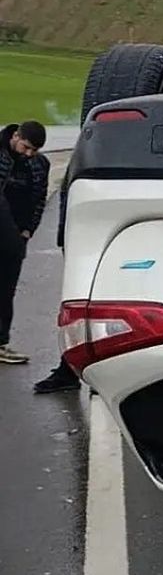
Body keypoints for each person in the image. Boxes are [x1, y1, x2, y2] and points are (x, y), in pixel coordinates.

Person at [0, 120, 50, 364]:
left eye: (34, 150)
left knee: (5, 292)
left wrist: (29, 229)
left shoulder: (40, 165)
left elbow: (40, 198)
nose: (29, 154)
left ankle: (1, 343)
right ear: (16, 137)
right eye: (26, 147)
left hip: (17, 238)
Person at [33, 169, 81, 393]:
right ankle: (69, 366)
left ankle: (70, 368)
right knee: (78, 303)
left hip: (86, 234)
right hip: (78, 234)